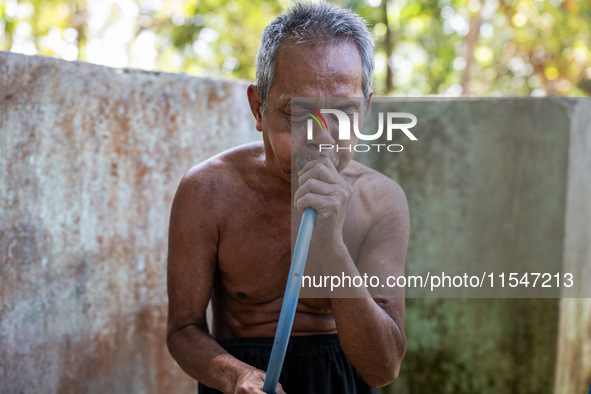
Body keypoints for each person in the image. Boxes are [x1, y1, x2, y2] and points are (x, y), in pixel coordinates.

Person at [166, 2, 409, 393]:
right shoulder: (207, 191)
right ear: (258, 108)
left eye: (344, 112)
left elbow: (382, 369)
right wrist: (236, 376)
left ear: (365, 109)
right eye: (298, 115)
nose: (323, 137)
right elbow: (182, 330)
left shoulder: (380, 202)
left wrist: (330, 245)